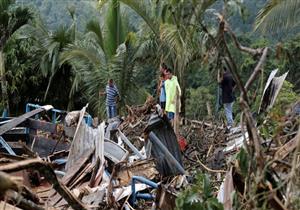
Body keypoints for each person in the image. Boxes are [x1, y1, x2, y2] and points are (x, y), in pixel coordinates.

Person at [218, 67, 236, 132]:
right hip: (231, 96)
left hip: (226, 97)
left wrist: (219, 75)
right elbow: (235, 84)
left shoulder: (224, 77)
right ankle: (231, 123)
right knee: (229, 110)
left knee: (228, 111)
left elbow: (219, 82)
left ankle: (230, 124)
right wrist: (232, 91)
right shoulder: (230, 76)